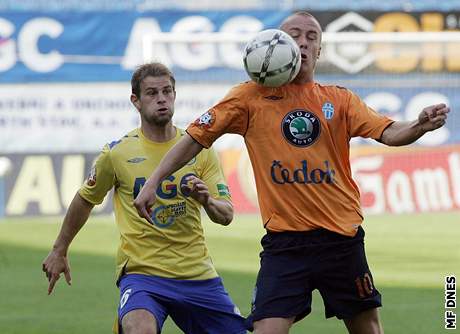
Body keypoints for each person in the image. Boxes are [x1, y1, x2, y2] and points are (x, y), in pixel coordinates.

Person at [133, 11, 451, 334]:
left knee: (368, 329)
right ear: (276, 43)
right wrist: (155, 180)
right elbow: (194, 138)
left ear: (319, 51)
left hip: (341, 240)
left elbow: (389, 132)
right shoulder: (247, 98)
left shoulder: (339, 100)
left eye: (312, 37)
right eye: (294, 35)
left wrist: (418, 126)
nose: (302, 41)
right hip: (285, 246)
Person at [42, 62, 246, 334]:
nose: (161, 98)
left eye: (167, 91)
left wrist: (207, 200)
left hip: (197, 274)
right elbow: (85, 199)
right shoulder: (117, 154)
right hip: (142, 275)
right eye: (151, 93)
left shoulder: (201, 150)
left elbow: (226, 214)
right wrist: (59, 249)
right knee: (140, 328)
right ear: (135, 101)